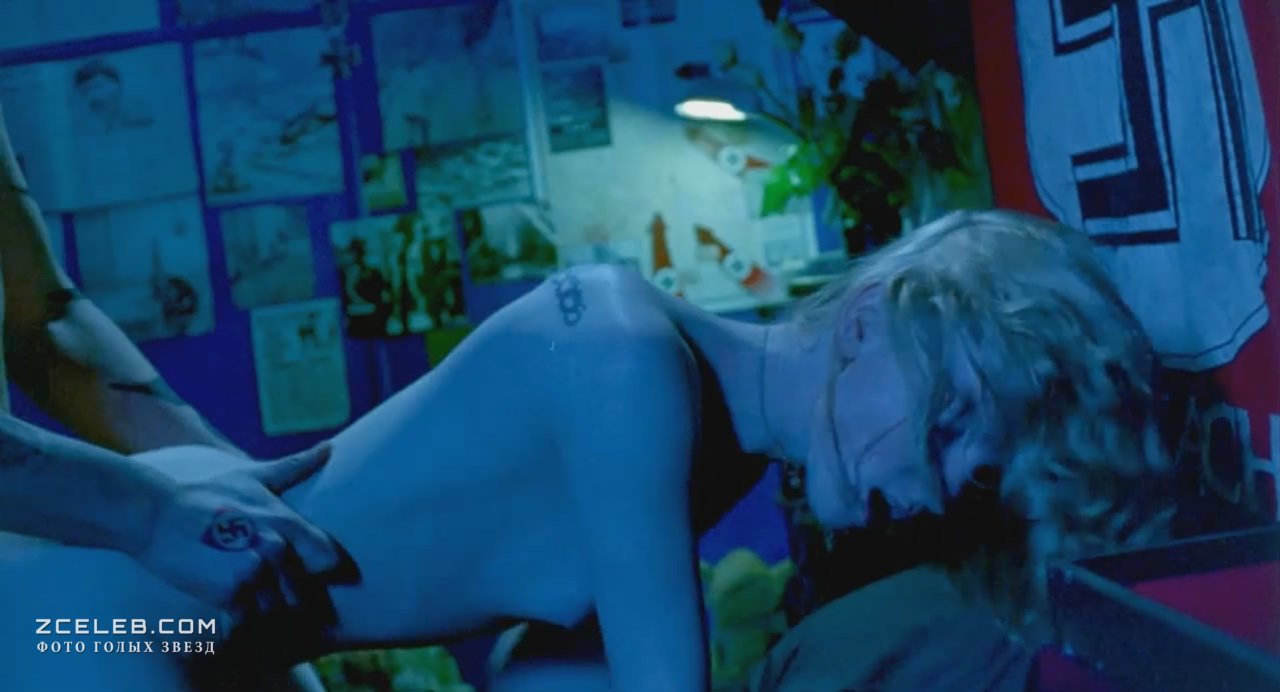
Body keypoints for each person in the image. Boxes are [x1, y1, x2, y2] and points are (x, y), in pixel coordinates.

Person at [0, 184, 1173, 691]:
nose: (942, 483)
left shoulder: (706, 442)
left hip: (210, 622)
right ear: (867, 319)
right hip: (114, 610)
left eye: (978, 471)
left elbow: (539, 660)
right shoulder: (621, 354)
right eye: (954, 421)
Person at [0, 107, 340, 690]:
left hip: (31, 592)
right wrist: (149, 513)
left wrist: (232, 478)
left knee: (238, 650)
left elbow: (45, 322)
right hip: (36, 624)